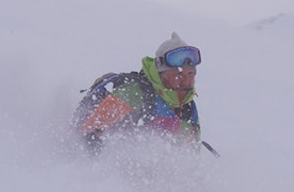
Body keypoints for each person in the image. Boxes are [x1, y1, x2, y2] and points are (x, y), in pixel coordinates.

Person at [74, 33, 202, 153]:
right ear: (162, 74)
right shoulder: (134, 92)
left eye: (190, 74)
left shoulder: (189, 109)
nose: (186, 81)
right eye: (179, 75)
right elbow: (88, 132)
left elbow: (192, 156)